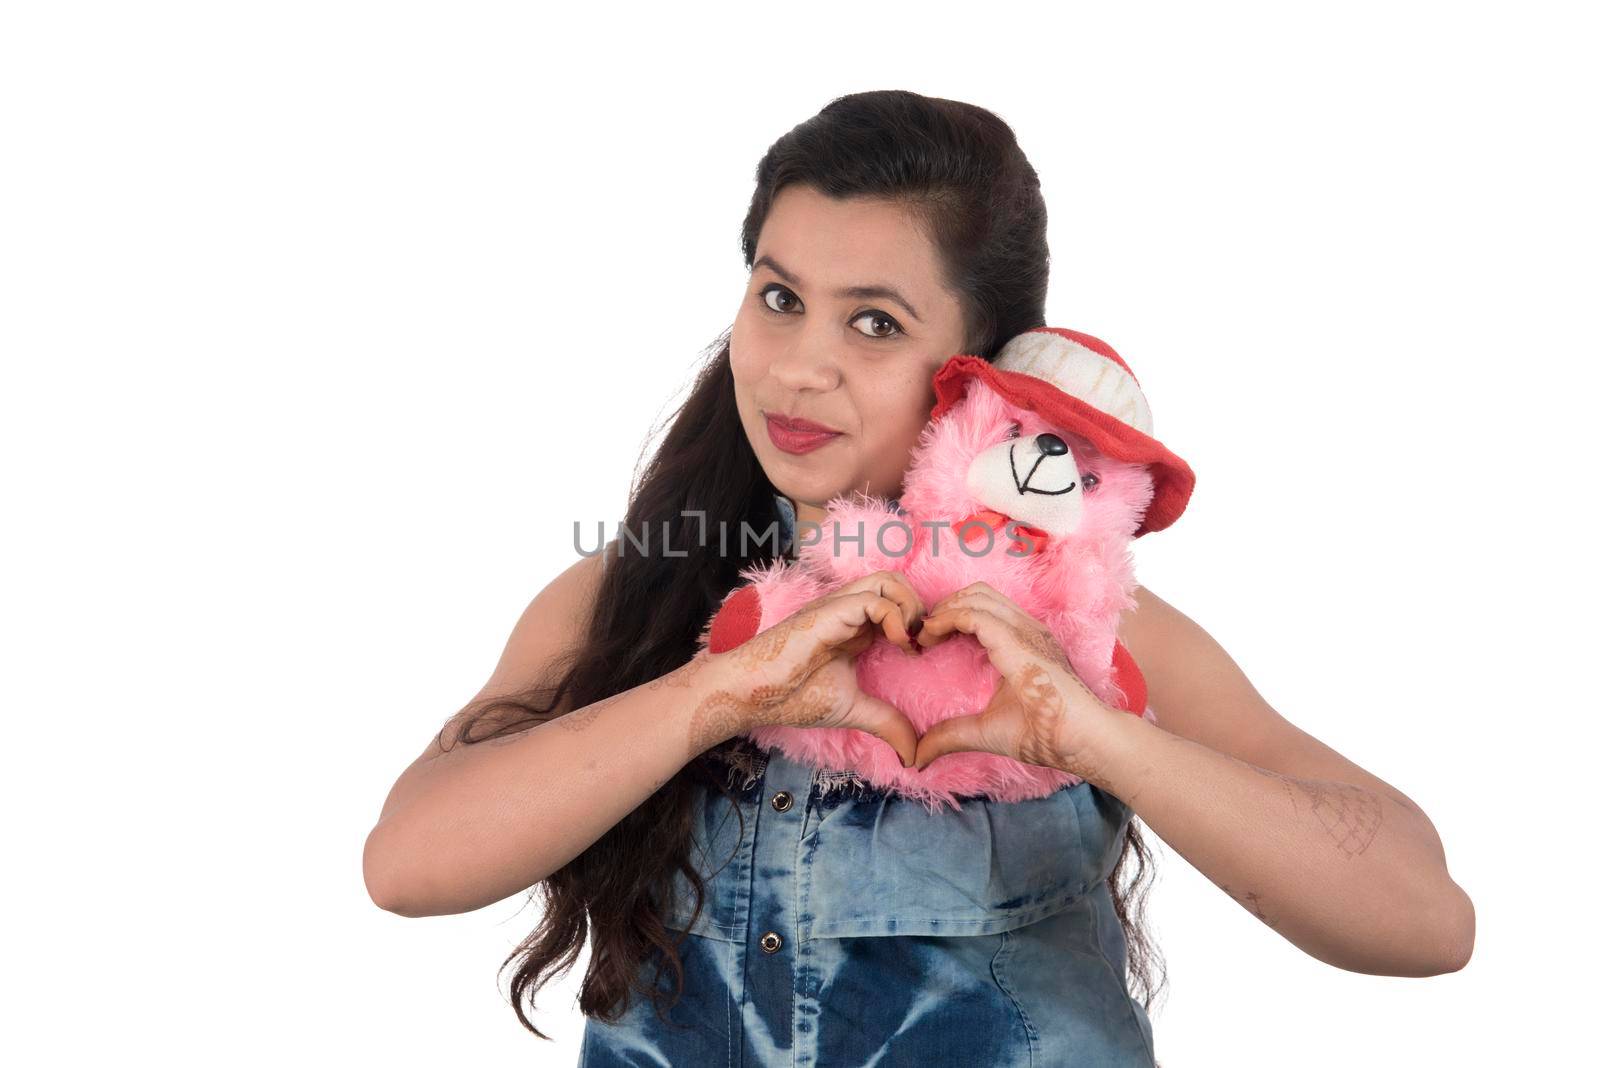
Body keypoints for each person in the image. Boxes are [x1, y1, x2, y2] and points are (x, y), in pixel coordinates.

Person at [363, 90, 1474, 1066]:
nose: (799, 364)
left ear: (974, 374)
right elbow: (409, 864)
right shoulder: (638, 592)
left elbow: (1424, 922)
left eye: (875, 323)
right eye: (779, 297)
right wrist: (719, 693)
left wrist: (1098, 738)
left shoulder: (1092, 638)